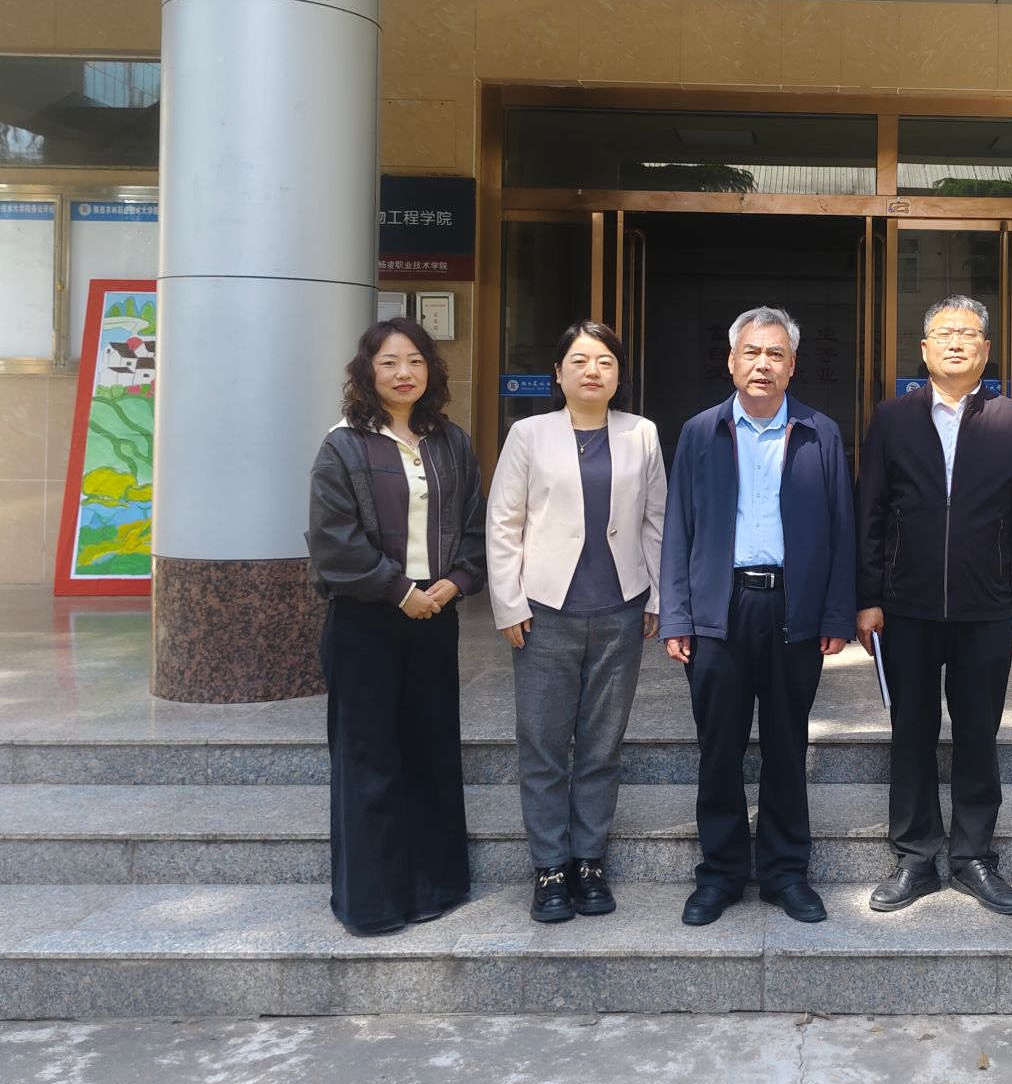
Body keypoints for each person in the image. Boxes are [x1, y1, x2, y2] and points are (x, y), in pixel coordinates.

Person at [659, 306, 856, 927]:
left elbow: (842, 528)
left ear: (792, 366)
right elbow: (678, 529)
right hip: (719, 609)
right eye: (752, 352)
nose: (762, 364)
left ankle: (784, 873)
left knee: (786, 746)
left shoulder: (820, 433)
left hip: (793, 609)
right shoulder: (701, 432)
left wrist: (836, 614)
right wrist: (677, 616)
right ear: (731, 361)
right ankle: (719, 874)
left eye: (775, 354)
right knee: (718, 748)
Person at [855, 296, 1012, 917]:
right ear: (924, 348)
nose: (956, 343)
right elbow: (870, 513)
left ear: (986, 350)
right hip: (905, 607)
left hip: (987, 606)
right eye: (944, 333)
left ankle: (973, 856)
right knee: (911, 731)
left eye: (968, 334)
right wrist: (867, 598)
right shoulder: (892, 418)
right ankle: (915, 857)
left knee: (977, 733)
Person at [306, 317, 486, 937]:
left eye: (414, 360)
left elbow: (473, 526)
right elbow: (333, 540)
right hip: (366, 621)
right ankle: (373, 902)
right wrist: (397, 590)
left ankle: (435, 886)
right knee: (369, 758)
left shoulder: (451, 442)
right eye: (388, 362)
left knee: (431, 751)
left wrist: (456, 581)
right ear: (367, 372)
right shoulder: (344, 445)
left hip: (435, 615)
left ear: (431, 369)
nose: (403, 372)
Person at [486, 321, 666, 924]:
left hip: (620, 608)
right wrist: (509, 603)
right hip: (544, 612)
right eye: (580, 361)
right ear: (558, 373)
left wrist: (657, 597)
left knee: (601, 745)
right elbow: (503, 523)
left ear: (619, 374)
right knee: (542, 744)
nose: (593, 371)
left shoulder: (642, 433)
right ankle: (548, 867)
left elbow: (657, 521)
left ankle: (589, 861)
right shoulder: (528, 434)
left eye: (606, 362)